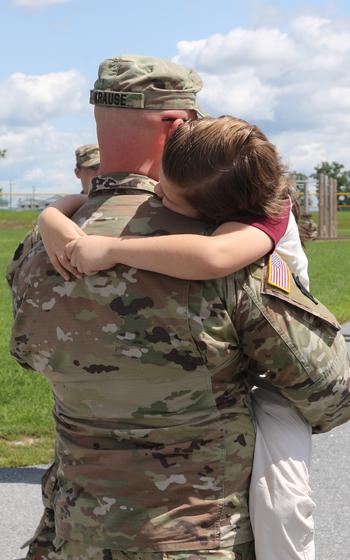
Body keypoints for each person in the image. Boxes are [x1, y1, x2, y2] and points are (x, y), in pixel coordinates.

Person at [7, 55, 350, 560]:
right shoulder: (221, 242)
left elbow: (28, 355)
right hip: (201, 536)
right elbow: (328, 390)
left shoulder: (41, 248)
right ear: (176, 124)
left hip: (74, 530)